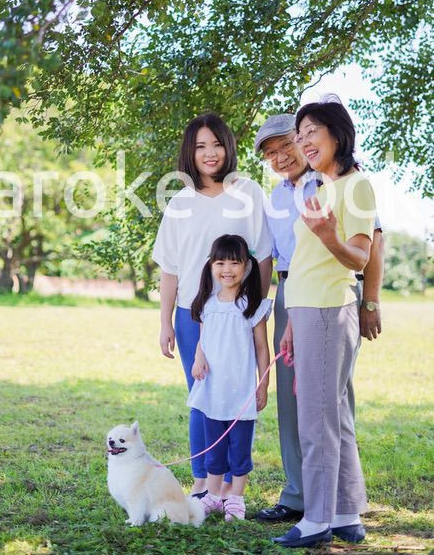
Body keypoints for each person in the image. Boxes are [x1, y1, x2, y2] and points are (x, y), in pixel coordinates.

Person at [253, 114, 384, 525]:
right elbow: (267, 258)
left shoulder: (335, 180)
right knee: (294, 402)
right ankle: (298, 494)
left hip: (333, 293)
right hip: (291, 295)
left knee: (331, 402)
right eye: (270, 154)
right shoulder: (273, 198)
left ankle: (342, 504)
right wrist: (261, 309)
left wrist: (371, 302)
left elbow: (372, 243)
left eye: (286, 145)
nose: (280, 157)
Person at [152, 113, 272, 498]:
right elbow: (170, 270)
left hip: (238, 315)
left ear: (228, 148)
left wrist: (254, 307)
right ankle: (203, 482)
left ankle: (234, 485)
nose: (210, 153)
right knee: (200, 395)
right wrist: (166, 323)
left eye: (217, 144)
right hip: (193, 315)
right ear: (190, 151)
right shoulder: (179, 203)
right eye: (201, 146)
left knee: (235, 395)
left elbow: (264, 256)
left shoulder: (248, 192)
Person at [188, 234, 271, 521]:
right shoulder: (207, 304)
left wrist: (263, 384)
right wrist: (199, 358)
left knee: (239, 449)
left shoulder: (251, 306)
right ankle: (212, 495)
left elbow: (262, 348)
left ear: (246, 266)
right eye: (220, 262)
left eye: (234, 263)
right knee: (214, 448)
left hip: (241, 391)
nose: (227, 269)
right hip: (212, 389)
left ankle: (235, 497)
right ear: (211, 265)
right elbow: (203, 340)